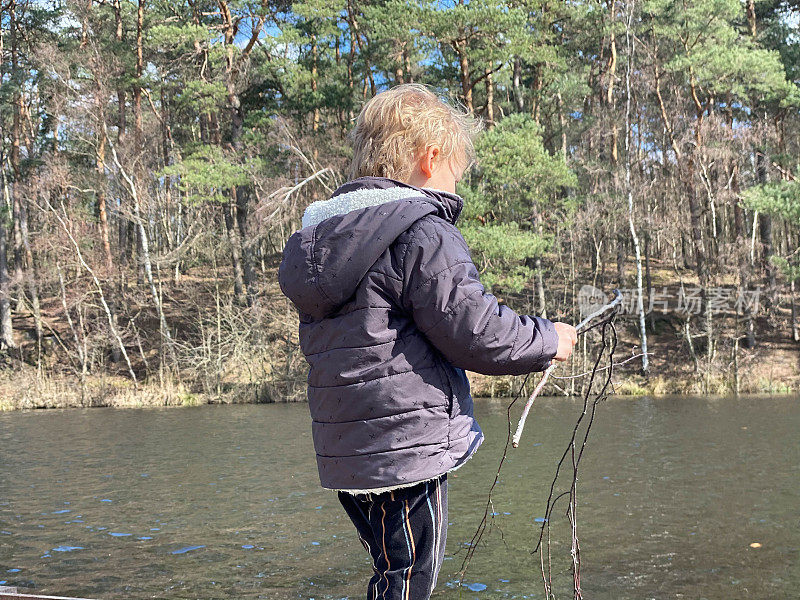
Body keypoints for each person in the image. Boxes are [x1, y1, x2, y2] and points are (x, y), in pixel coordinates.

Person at [277, 83, 577, 600]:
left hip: (346, 451)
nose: (455, 190)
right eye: (454, 174)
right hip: (403, 447)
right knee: (410, 577)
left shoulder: (321, 239)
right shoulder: (421, 231)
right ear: (429, 157)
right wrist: (549, 339)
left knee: (392, 568)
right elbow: (477, 332)